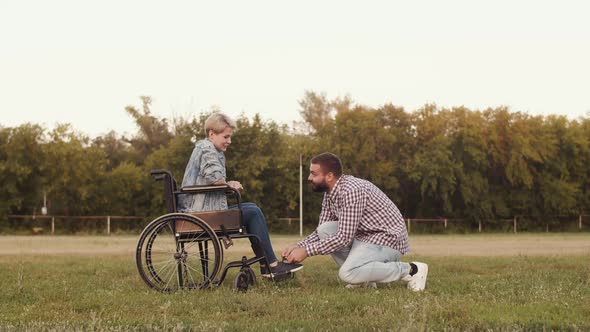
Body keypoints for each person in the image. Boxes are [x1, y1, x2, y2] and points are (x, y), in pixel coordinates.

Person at [177, 112, 302, 278]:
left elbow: (212, 178)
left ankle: (267, 265)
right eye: (226, 136)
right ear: (211, 133)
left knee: (252, 208)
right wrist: (229, 184)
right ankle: (270, 265)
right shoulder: (206, 148)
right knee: (253, 213)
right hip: (199, 214)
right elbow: (214, 177)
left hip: (202, 209)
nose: (229, 141)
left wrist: (228, 184)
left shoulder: (210, 149)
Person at [283, 152, 428, 291]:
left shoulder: (351, 191)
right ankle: (364, 281)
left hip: (387, 239)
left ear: (329, 176)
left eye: (313, 174)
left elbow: (344, 238)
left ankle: (412, 269)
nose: (309, 177)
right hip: (366, 238)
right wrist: (299, 245)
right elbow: (323, 230)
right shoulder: (330, 193)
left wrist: (306, 251)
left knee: (347, 273)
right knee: (325, 229)